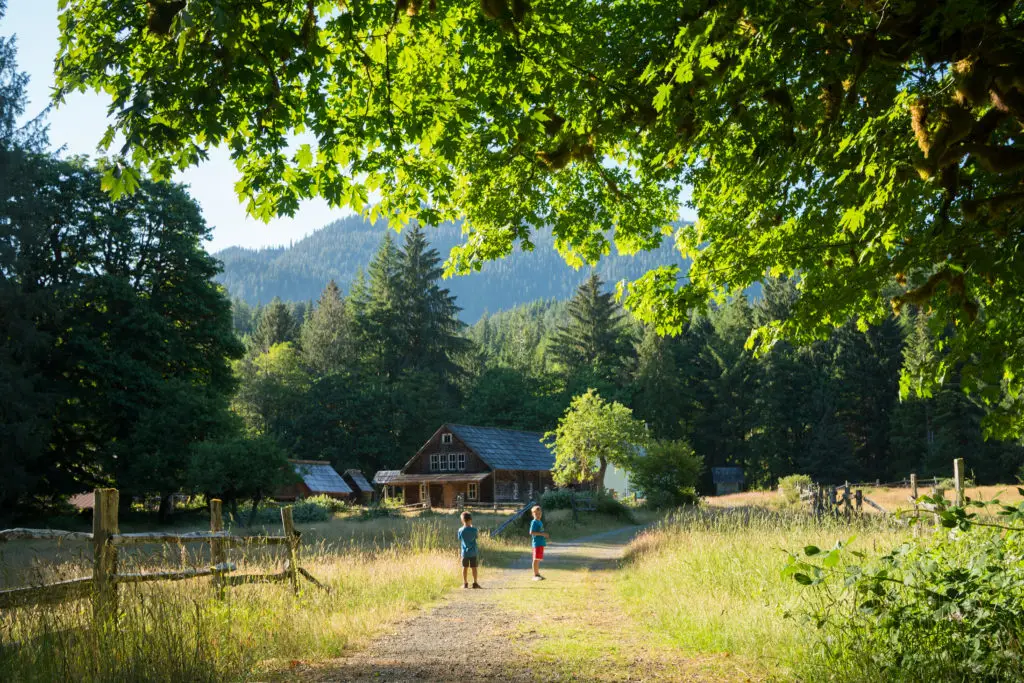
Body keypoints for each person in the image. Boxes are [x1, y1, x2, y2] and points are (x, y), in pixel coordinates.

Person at [458, 511, 481, 589]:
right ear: (470, 520)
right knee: (474, 568)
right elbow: (476, 537)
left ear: (462, 520)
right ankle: (475, 583)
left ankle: (465, 583)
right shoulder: (474, 530)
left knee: (464, 568)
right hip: (473, 552)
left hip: (464, 553)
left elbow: (459, 538)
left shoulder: (460, 530)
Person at [529, 505, 549, 581]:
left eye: (539, 514)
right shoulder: (534, 522)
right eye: (536, 514)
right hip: (536, 543)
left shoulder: (540, 521)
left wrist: (544, 535)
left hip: (541, 543)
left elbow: (540, 531)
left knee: (538, 559)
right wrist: (542, 534)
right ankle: (535, 575)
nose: (538, 515)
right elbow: (531, 532)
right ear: (533, 514)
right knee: (535, 559)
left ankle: (538, 574)